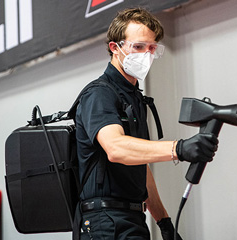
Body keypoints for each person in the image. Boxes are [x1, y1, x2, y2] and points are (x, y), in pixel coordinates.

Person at [74, 7, 218, 240]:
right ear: (115, 48)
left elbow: (140, 168)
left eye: (152, 48)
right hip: (104, 223)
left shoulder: (134, 98)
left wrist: (163, 222)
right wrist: (178, 148)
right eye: (138, 46)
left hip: (132, 219)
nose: (146, 54)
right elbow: (116, 148)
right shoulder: (99, 94)